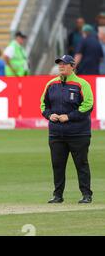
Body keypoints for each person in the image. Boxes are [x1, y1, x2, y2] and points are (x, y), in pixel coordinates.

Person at [40, 55, 94, 204]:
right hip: (56, 134)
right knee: (57, 165)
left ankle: (86, 195)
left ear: (72, 66)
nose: (61, 66)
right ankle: (58, 195)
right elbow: (43, 105)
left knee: (81, 164)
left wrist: (69, 117)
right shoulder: (51, 84)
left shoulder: (82, 84)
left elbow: (88, 105)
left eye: (64, 64)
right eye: (59, 64)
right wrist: (49, 115)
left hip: (79, 133)